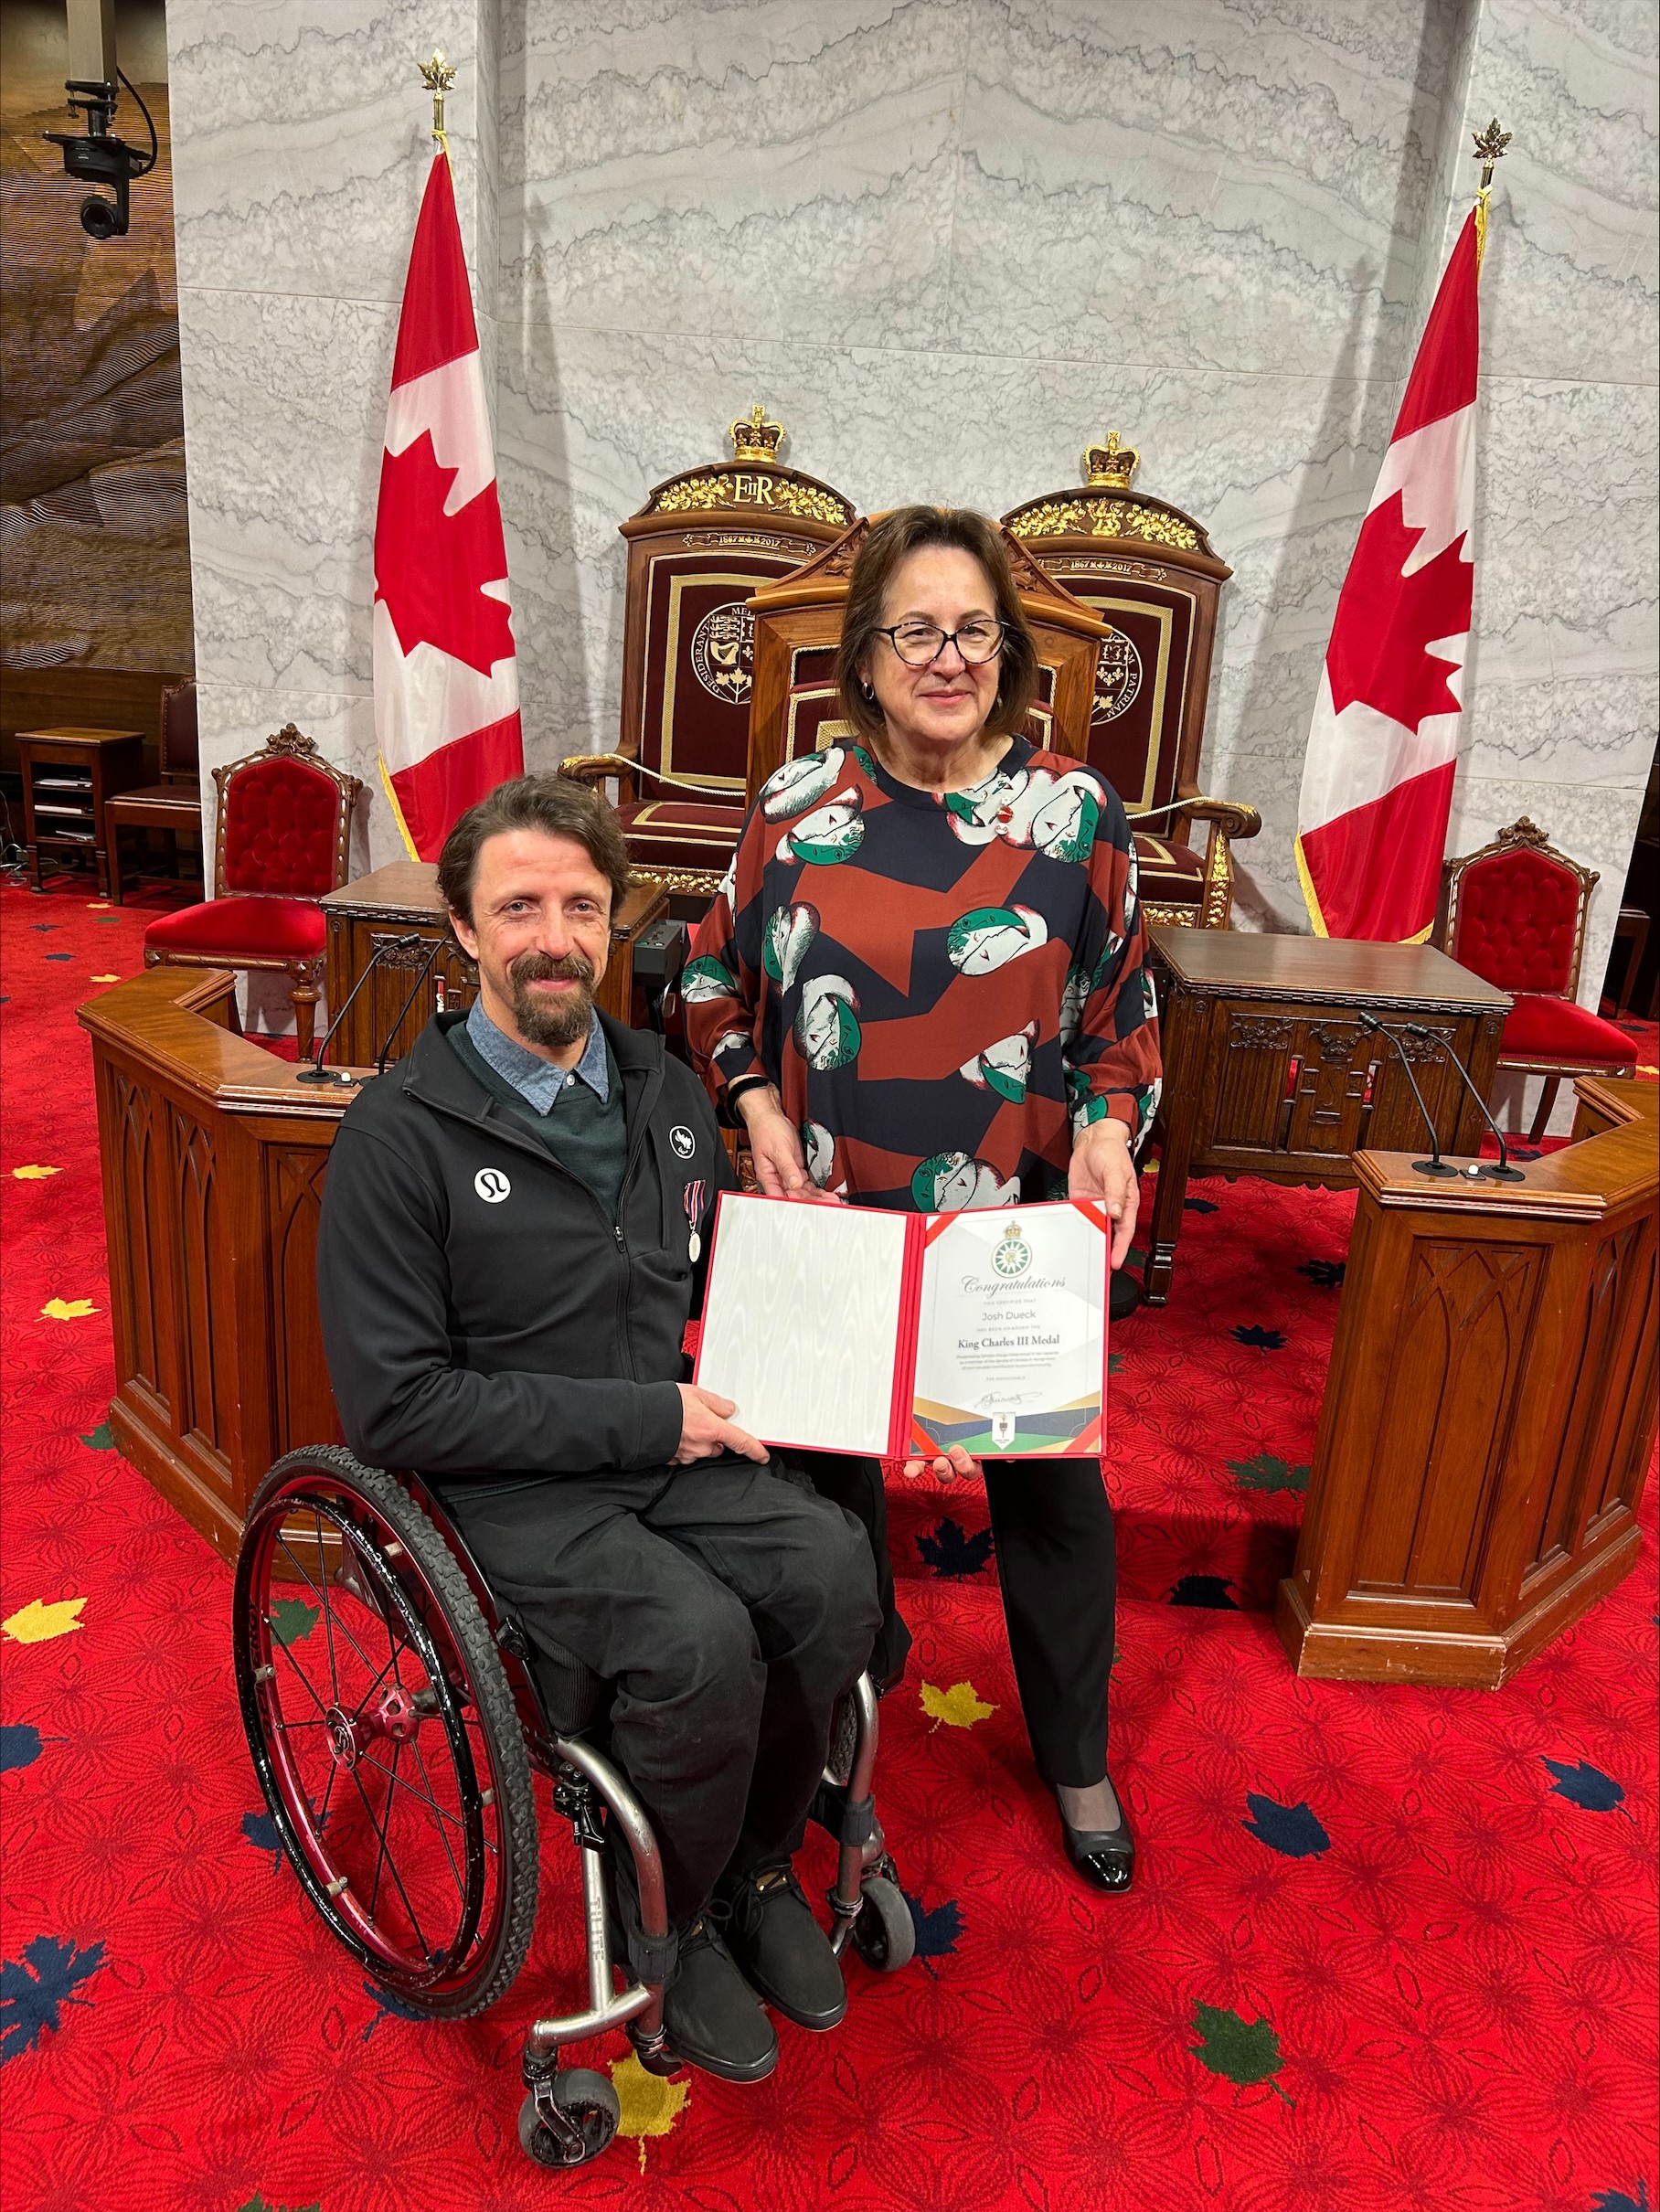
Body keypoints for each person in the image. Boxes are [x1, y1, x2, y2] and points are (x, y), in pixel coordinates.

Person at [314, 774, 880, 2086]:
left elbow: (727, 1289)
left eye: (580, 906)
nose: (553, 937)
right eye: (518, 907)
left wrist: (880, 1382)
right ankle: (666, 1924)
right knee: (696, 1641)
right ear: (465, 929)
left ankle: (751, 1871)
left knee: (829, 1569)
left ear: (613, 920)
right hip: (506, 1485)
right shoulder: (396, 1136)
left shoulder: (665, 1089)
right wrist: (648, 1419)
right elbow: (394, 1405)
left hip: (662, 1445)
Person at [684, 505, 1162, 1893]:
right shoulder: (793, 807)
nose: (947, 658)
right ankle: (849, 1728)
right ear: (865, 655)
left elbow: (1116, 1007)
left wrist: (1110, 1130)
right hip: (829, 1219)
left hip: (1010, 1233)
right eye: (916, 631)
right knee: (824, 1504)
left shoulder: (1075, 815)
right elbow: (709, 980)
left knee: (1055, 1498)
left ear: (1007, 653)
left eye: (973, 631)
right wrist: (753, 1101)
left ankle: (1077, 1756)